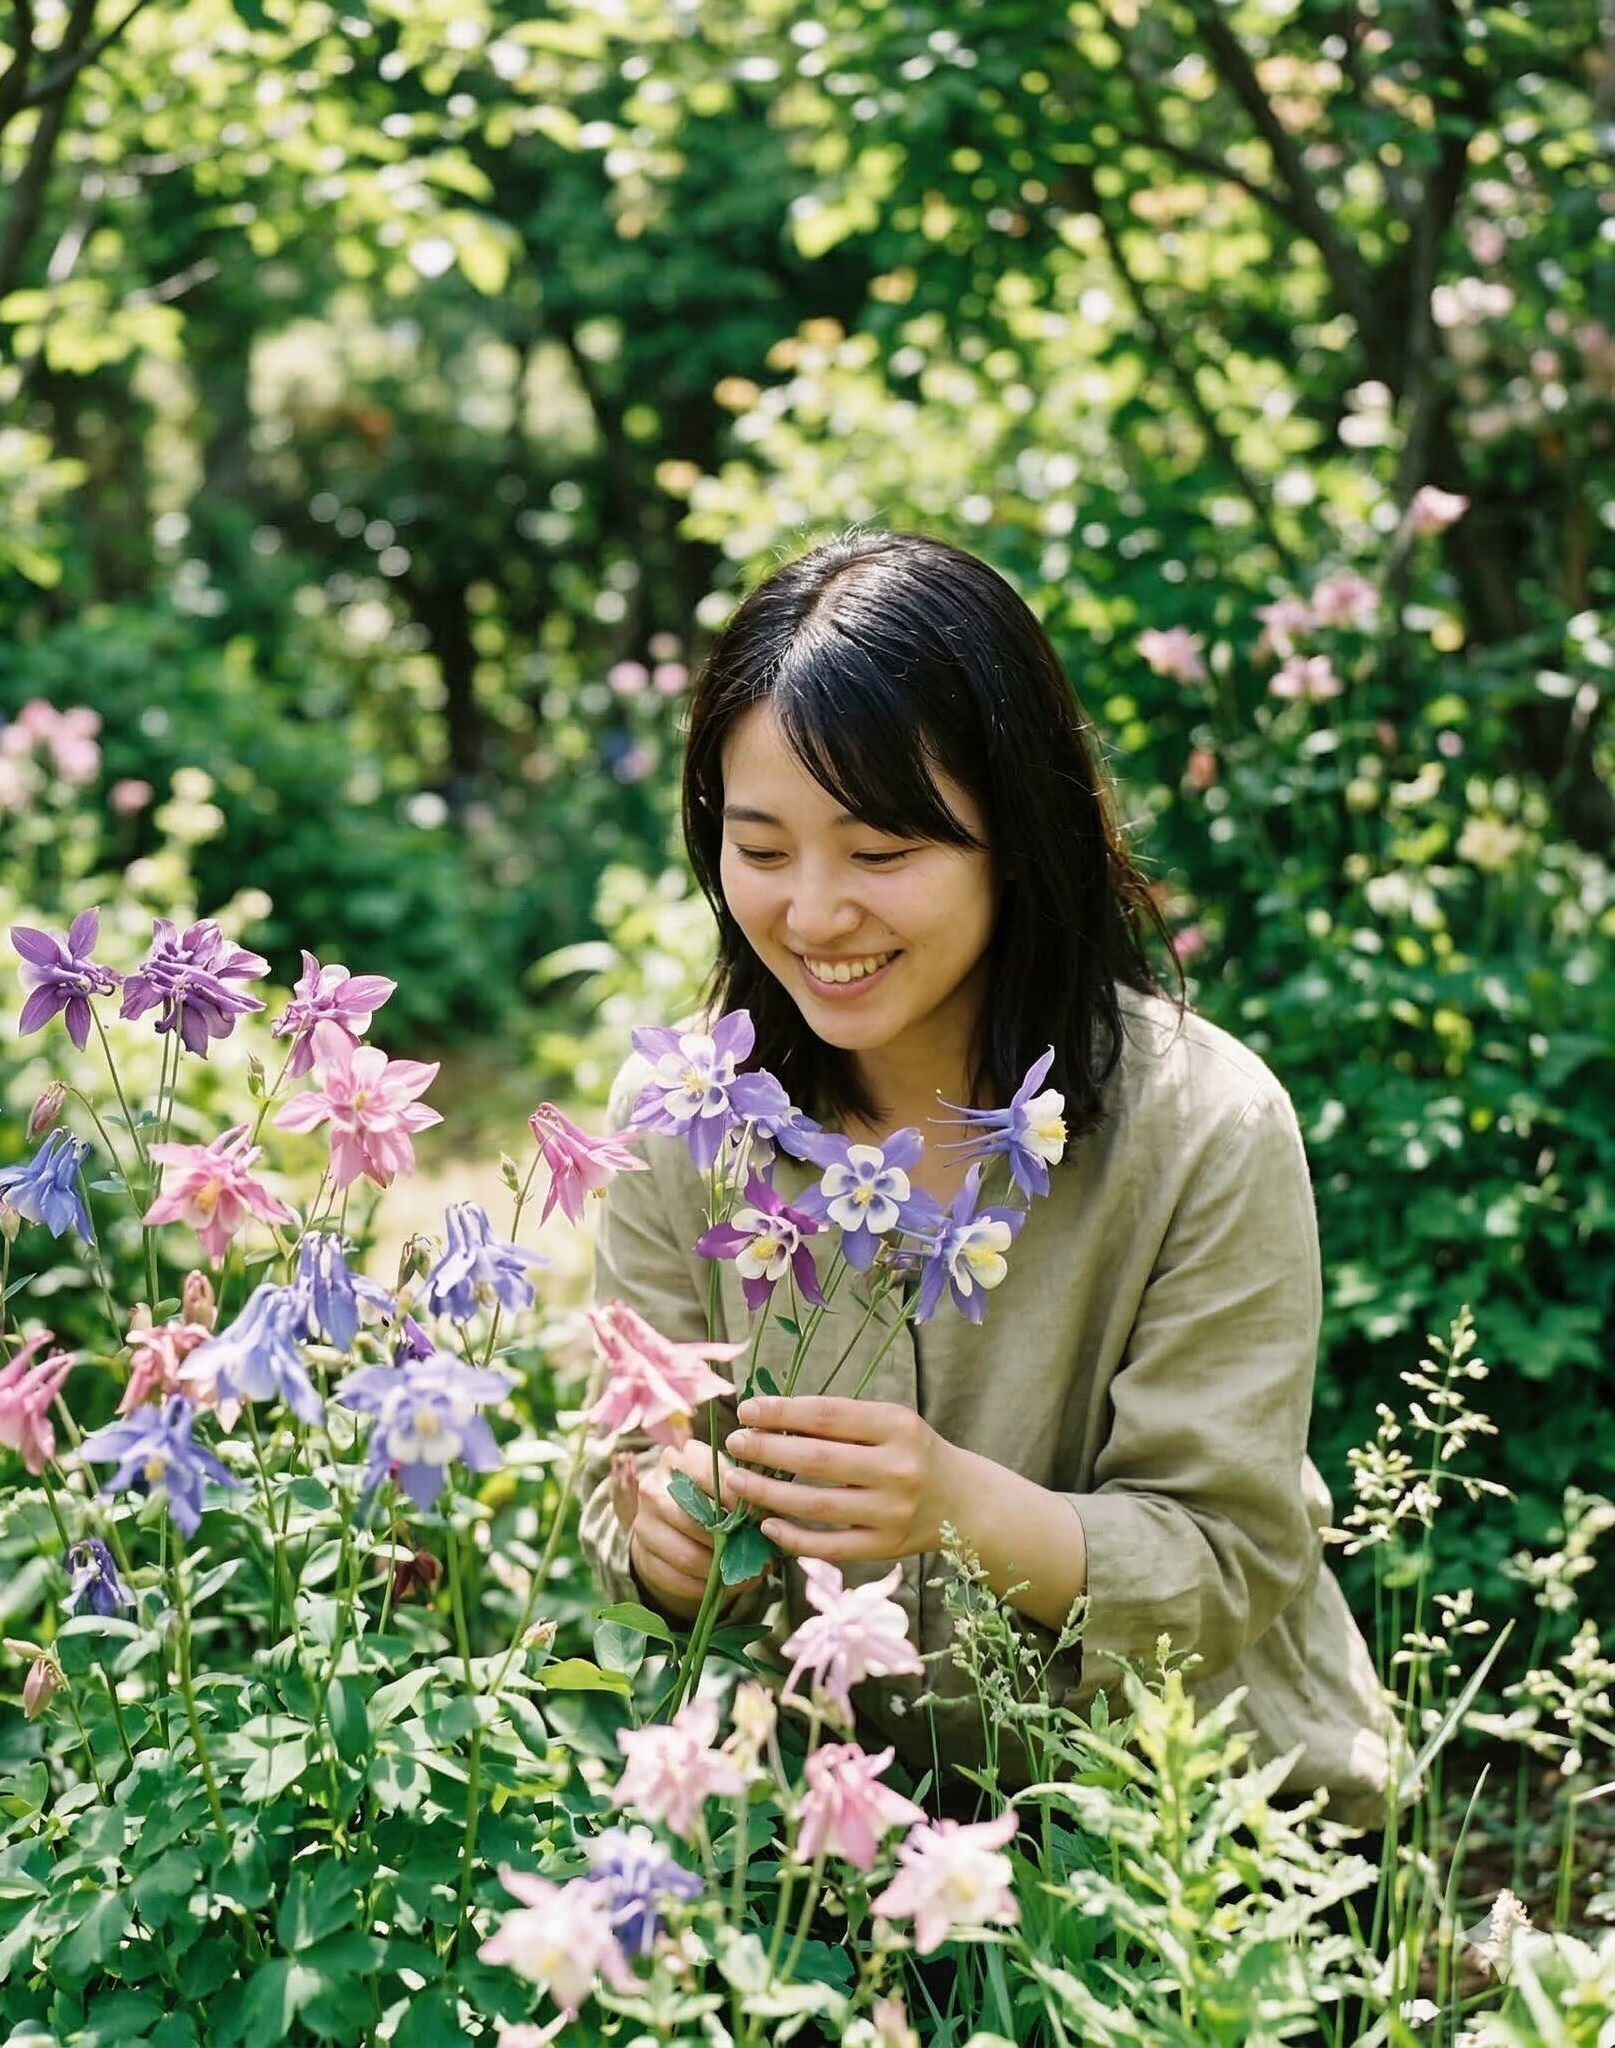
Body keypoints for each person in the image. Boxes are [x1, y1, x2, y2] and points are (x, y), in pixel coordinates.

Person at [577, 530, 1390, 1825]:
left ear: (1016, 834)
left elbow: (1232, 1562)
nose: (814, 913)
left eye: (882, 854)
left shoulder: (1205, 1125)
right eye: (763, 848)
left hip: (1172, 1824)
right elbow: (621, 1471)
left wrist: (959, 1506)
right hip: (809, 1834)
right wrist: (665, 1544)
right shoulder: (687, 1118)